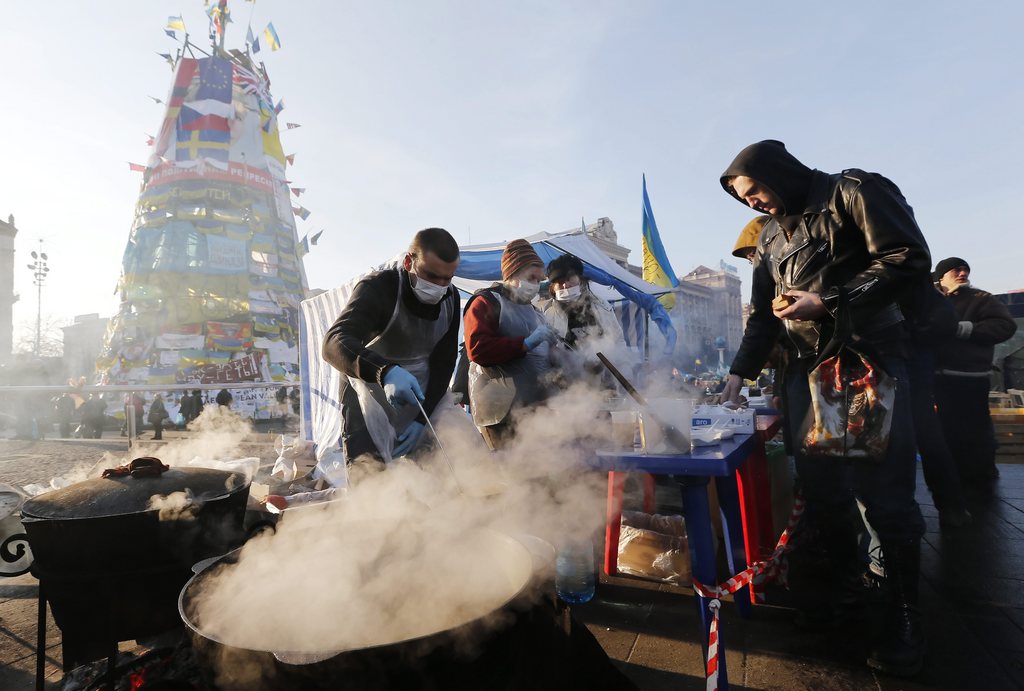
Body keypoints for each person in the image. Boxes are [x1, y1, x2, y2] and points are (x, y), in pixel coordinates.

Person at [718, 140, 930, 676]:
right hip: (803, 374)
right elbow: (764, 317)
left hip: (866, 365)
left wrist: (831, 301)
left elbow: (907, 259)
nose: (753, 204)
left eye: (754, 191)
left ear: (777, 172)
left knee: (884, 500)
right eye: (743, 200)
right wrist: (737, 374)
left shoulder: (853, 192)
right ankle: (843, 598)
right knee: (823, 495)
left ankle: (901, 617)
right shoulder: (768, 236)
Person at [322, 227, 461, 464]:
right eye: (431, 275)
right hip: (369, 394)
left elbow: (444, 361)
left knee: (447, 464)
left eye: (447, 278)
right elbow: (333, 341)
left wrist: (421, 419)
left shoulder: (451, 298)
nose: (439, 286)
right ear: (409, 261)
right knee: (371, 477)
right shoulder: (380, 287)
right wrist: (385, 371)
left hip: (420, 394)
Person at [463, 239, 558, 450]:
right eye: (531, 278)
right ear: (513, 273)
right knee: (510, 477)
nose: (535, 284)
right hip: (500, 413)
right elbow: (477, 349)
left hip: (535, 409)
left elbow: (546, 358)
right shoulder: (487, 302)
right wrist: (525, 343)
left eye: (539, 279)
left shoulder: (535, 312)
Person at [932, 257, 1018, 488]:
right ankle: (952, 476)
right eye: (956, 269)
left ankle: (981, 476)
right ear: (941, 275)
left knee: (975, 429)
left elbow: (1005, 326)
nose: (962, 273)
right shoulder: (929, 299)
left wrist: (964, 329)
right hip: (935, 376)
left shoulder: (981, 299)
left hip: (969, 376)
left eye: (965, 269)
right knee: (944, 428)